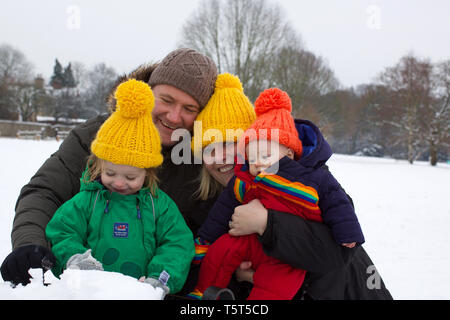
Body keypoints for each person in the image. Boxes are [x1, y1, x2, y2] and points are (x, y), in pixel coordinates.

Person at [1, 48, 218, 286]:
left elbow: (205, 230)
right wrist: (30, 243)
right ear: (147, 92)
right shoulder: (96, 136)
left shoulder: (204, 158)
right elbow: (45, 191)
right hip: (84, 285)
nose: (175, 117)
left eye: (189, 109)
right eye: (166, 100)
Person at [190, 88, 365, 299]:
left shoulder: (314, 180)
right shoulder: (231, 188)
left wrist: (266, 223)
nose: (221, 157)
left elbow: (337, 251)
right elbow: (217, 223)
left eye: (230, 143)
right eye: (209, 149)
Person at [45, 79, 194, 297]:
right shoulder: (87, 201)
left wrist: (160, 278)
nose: (119, 183)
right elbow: (61, 232)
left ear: (148, 172)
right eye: (110, 173)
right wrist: (76, 259)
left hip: (139, 293)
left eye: (131, 177)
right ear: (98, 165)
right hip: (90, 292)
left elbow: (178, 243)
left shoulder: (158, 205)